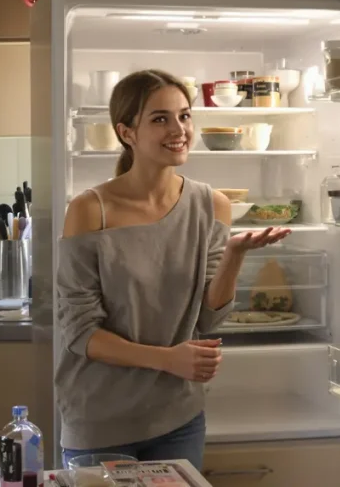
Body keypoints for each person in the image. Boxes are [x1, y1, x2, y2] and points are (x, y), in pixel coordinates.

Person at [55, 69, 290, 470]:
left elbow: (208, 317)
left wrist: (234, 254)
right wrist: (167, 359)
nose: (178, 129)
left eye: (184, 116)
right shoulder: (90, 209)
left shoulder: (211, 205)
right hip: (99, 419)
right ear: (127, 132)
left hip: (178, 417)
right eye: (160, 118)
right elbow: (79, 332)